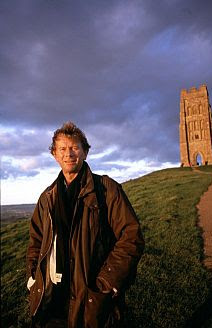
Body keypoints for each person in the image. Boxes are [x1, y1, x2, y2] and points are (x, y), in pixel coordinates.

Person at [26, 122, 144, 328]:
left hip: (91, 299)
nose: (68, 154)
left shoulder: (106, 190)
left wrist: (107, 283)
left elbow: (131, 237)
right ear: (54, 154)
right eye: (62, 149)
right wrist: (33, 276)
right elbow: (35, 241)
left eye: (74, 147)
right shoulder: (47, 197)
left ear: (85, 152)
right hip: (51, 302)